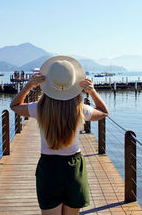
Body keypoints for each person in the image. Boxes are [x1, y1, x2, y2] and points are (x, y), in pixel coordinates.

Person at [10, 56, 109, 215]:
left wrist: (29, 86)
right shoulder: (80, 109)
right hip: (74, 168)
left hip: (48, 168)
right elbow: (104, 112)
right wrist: (92, 91)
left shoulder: (39, 108)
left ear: (49, 84)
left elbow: (14, 105)